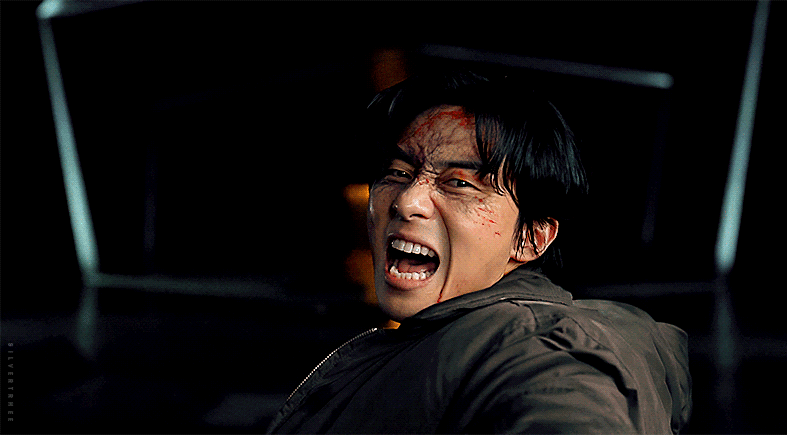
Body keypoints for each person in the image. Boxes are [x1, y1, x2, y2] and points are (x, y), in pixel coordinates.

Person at [267, 71, 691, 434]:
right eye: (398, 172)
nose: (407, 201)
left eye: (459, 183)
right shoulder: (455, 337)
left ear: (531, 239)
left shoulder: (544, 347)